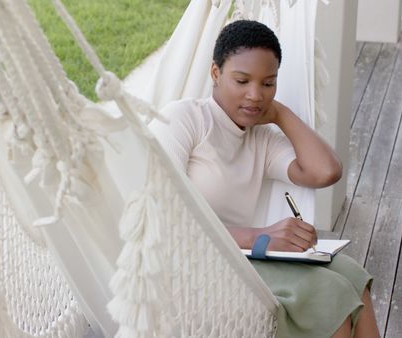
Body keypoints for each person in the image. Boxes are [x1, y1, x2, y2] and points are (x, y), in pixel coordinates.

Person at [151, 20, 380, 338]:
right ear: (215, 73)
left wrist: (280, 114)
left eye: (268, 83)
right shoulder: (183, 119)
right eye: (242, 81)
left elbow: (325, 171)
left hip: (242, 260)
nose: (255, 95)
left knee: (352, 274)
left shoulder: (261, 138)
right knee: (327, 296)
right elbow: (163, 219)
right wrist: (259, 238)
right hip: (188, 266)